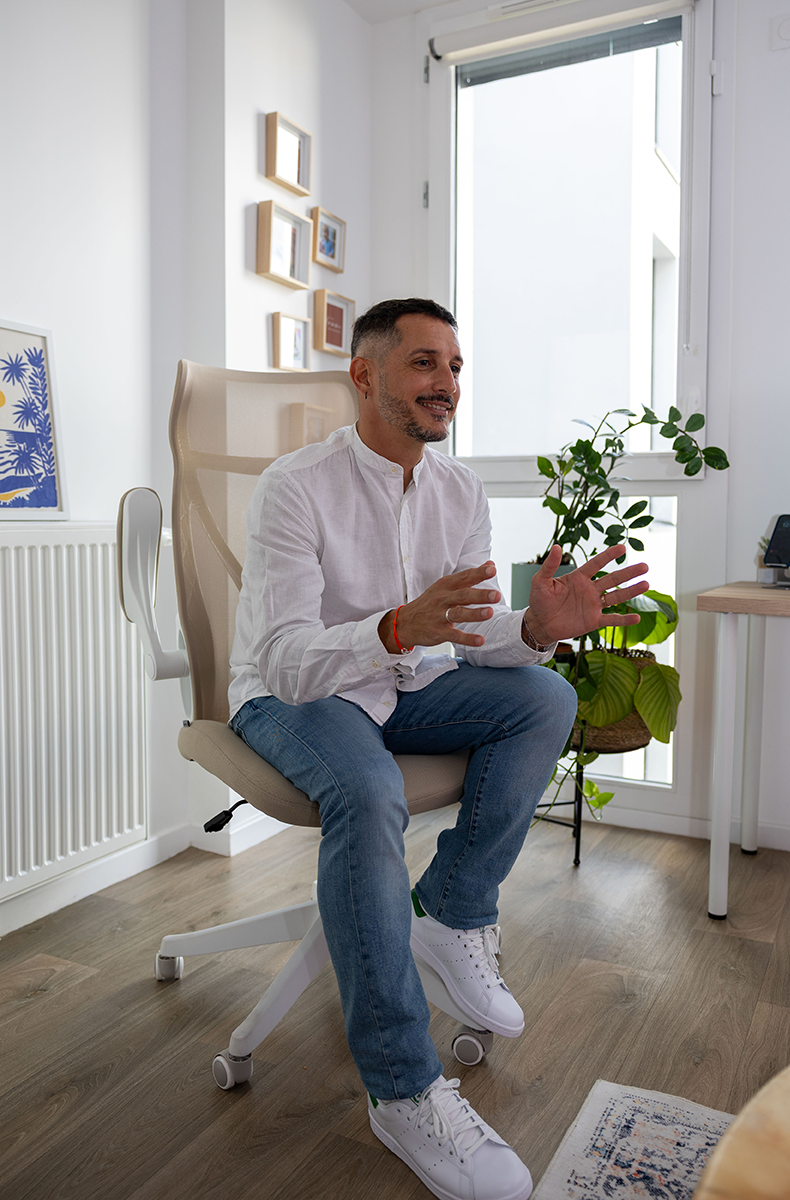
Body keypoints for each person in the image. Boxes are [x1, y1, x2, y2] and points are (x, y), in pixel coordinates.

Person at [229, 298, 649, 1200]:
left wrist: (533, 628)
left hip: (405, 684)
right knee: (368, 791)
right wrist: (390, 628)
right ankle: (404, 1089)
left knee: (544, 693)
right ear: (365, 374)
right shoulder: (294, 486)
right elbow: (286, 660)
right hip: (293, 696)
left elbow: (466, 638)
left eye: (455, 367)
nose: (447, 383)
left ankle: (452, 910)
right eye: (424, 363)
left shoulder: (459, 492)